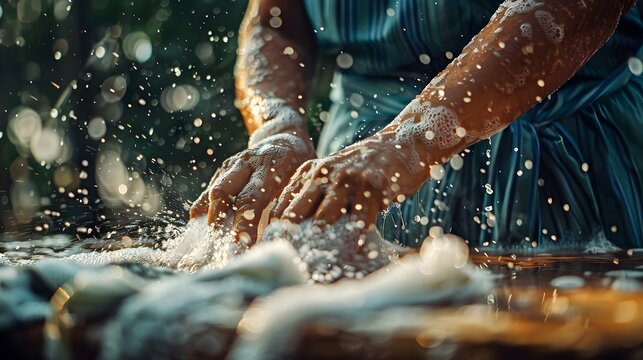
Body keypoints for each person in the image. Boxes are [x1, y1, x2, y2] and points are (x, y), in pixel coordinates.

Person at [190, 0, 643, 250]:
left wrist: (412, 141)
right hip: (352, 172)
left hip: (569, 160)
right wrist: (278, 126)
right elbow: (277, 22)